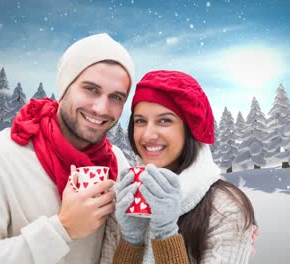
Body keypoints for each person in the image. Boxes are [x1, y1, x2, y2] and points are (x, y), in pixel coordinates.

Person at [0, 33, 134, 264]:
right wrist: (62, 229)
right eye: (91, 89)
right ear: (65, 86)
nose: (101, 108)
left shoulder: (116, 163)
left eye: (116, 97)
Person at [99, 70, 257, 263]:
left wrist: (165, 234)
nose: (147, 135)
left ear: (190, 128)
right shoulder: (126, 196)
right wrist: (131, 240)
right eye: (140, 121)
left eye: (164, 120)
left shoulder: (226, 209)